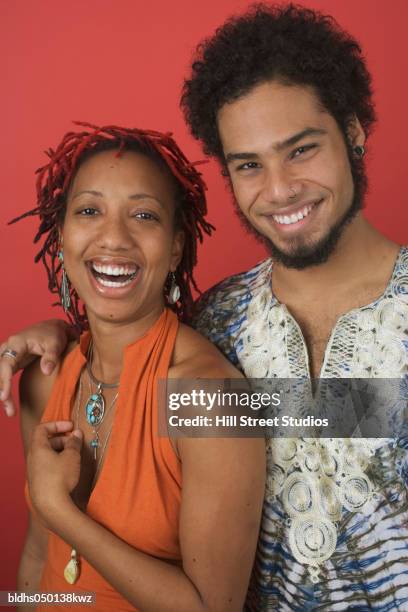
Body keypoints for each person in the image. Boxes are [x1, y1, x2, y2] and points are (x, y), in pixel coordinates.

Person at [1, 3, 408, 610]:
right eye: (249, 164)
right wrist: (58, 332)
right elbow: (126, 335)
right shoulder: (220, 320)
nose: (278, 189)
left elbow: (370, 412)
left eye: (300, 150)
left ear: (353, 131)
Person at [5, 122, 265, 611]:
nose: (113, 237)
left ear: (175, 247)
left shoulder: (211, 399)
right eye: (89, 211)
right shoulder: (44, 380)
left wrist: (61, 511)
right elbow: (39, 554)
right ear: (61, 237)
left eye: (143, 215)